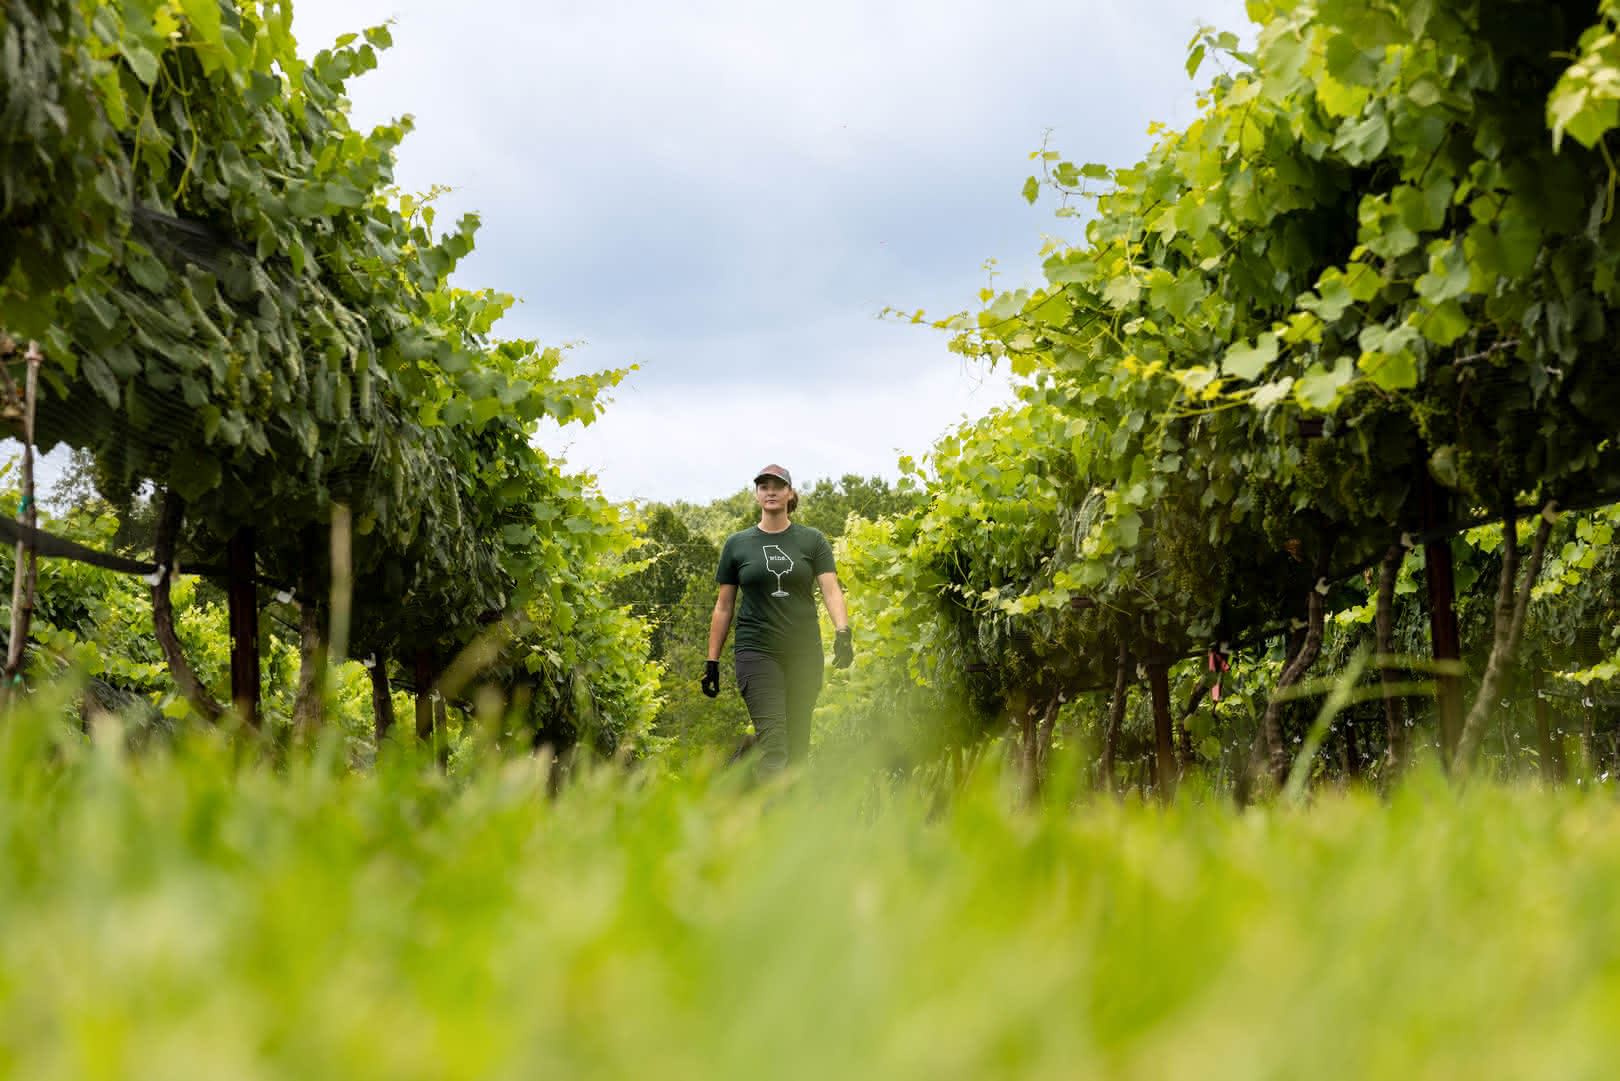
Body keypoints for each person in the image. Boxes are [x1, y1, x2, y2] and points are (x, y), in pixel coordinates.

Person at [702, 464, 853, 776]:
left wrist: (843, 631)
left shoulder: (811, 540)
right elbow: (724, 606)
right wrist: (712, 661)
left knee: (797, 747)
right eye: (763, 486)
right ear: (757, 495)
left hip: (803, 653)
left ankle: (748, 786)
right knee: (775, 745)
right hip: (756, 650)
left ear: (790, 493)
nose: (770, 490)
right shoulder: (737, 544)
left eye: (777, 485)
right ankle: (768, 820)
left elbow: (830, 588)